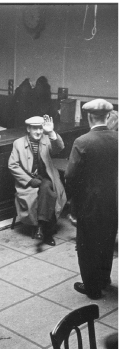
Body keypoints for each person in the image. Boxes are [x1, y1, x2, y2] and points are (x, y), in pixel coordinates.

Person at [65, 99, 118, 299]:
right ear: (107, 117)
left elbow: (70, 176)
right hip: (113, 202)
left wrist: (74, 201)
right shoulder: (118, 138)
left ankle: (92, 289)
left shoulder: (82, 141)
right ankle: (104, 279)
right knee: (106, 241)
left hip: (89, 204)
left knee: (87, 246)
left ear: (89, 117)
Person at [8, 115, 67, 246]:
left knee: (46, 186)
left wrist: (51, 132)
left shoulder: (46, 139)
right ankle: (47, 232)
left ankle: (40, 226)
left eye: (41, 128)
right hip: (29, 182)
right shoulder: (18, 143)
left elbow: (60, 147)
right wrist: (29, 180)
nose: (39, 132)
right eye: (35, 129)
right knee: (47, 191)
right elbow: (13, 165)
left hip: (48, 177)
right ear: (28, 129)